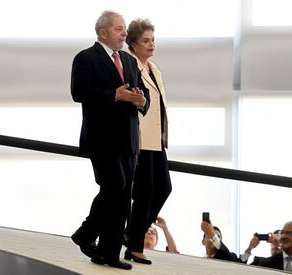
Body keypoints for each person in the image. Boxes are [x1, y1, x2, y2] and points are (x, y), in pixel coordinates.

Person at [70, 10, 149, 270]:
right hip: (101, 137)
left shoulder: (128, 59)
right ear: (103, 32)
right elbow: (79, 93)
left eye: (124, 28)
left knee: (122, 194)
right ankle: (89, 236)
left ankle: (106, 250)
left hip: (128, 138)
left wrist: (141, 100)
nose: (124, 33)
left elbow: (142, 92)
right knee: (115, 187)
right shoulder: (85, 58)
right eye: (119, 29)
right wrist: (114, 96)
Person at [123, 18, 172, 266]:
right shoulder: (129, 64)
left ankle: (131, 233)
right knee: (144, 192)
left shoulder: (154, 69)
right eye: (146, 40)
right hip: (140, 138)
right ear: (133, 43)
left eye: (153, 40)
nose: (151, 44)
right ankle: (135, 247)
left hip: (157, 139)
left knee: (163, 188)